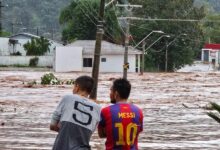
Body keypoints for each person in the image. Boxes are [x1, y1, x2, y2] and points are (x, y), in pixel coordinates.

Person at [50, 75, 101, 150]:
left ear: (77, 87)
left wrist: (65, 130)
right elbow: (89, 133)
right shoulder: (98, 108)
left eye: (74, 86)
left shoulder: (68, 98)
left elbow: (52, 125)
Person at [98, 78, 143, 150]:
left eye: (111, 91)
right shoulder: (138, 111)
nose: (110, 94)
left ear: (116, 94)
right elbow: (138, 131)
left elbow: (101, 135)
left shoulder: (106, 111)